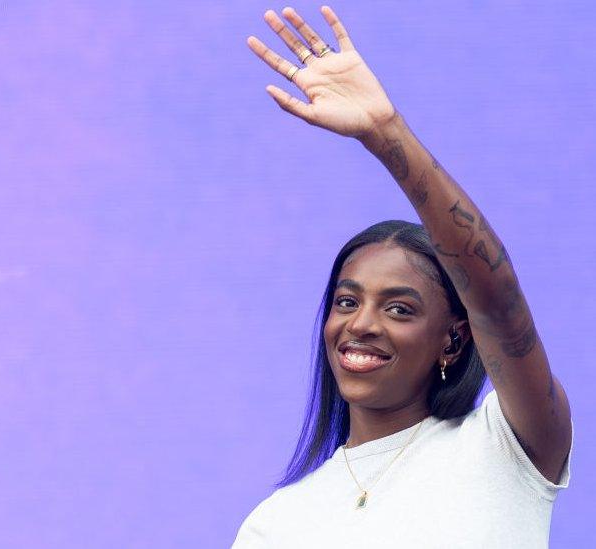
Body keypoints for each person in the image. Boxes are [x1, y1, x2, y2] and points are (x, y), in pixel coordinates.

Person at [234, 6, 573, 548]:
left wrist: (386, 135)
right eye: (347, 302)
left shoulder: (505, 445)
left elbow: (499, 304)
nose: (361, 324)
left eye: (399, 308)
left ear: (454, 338)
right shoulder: (275, 524)